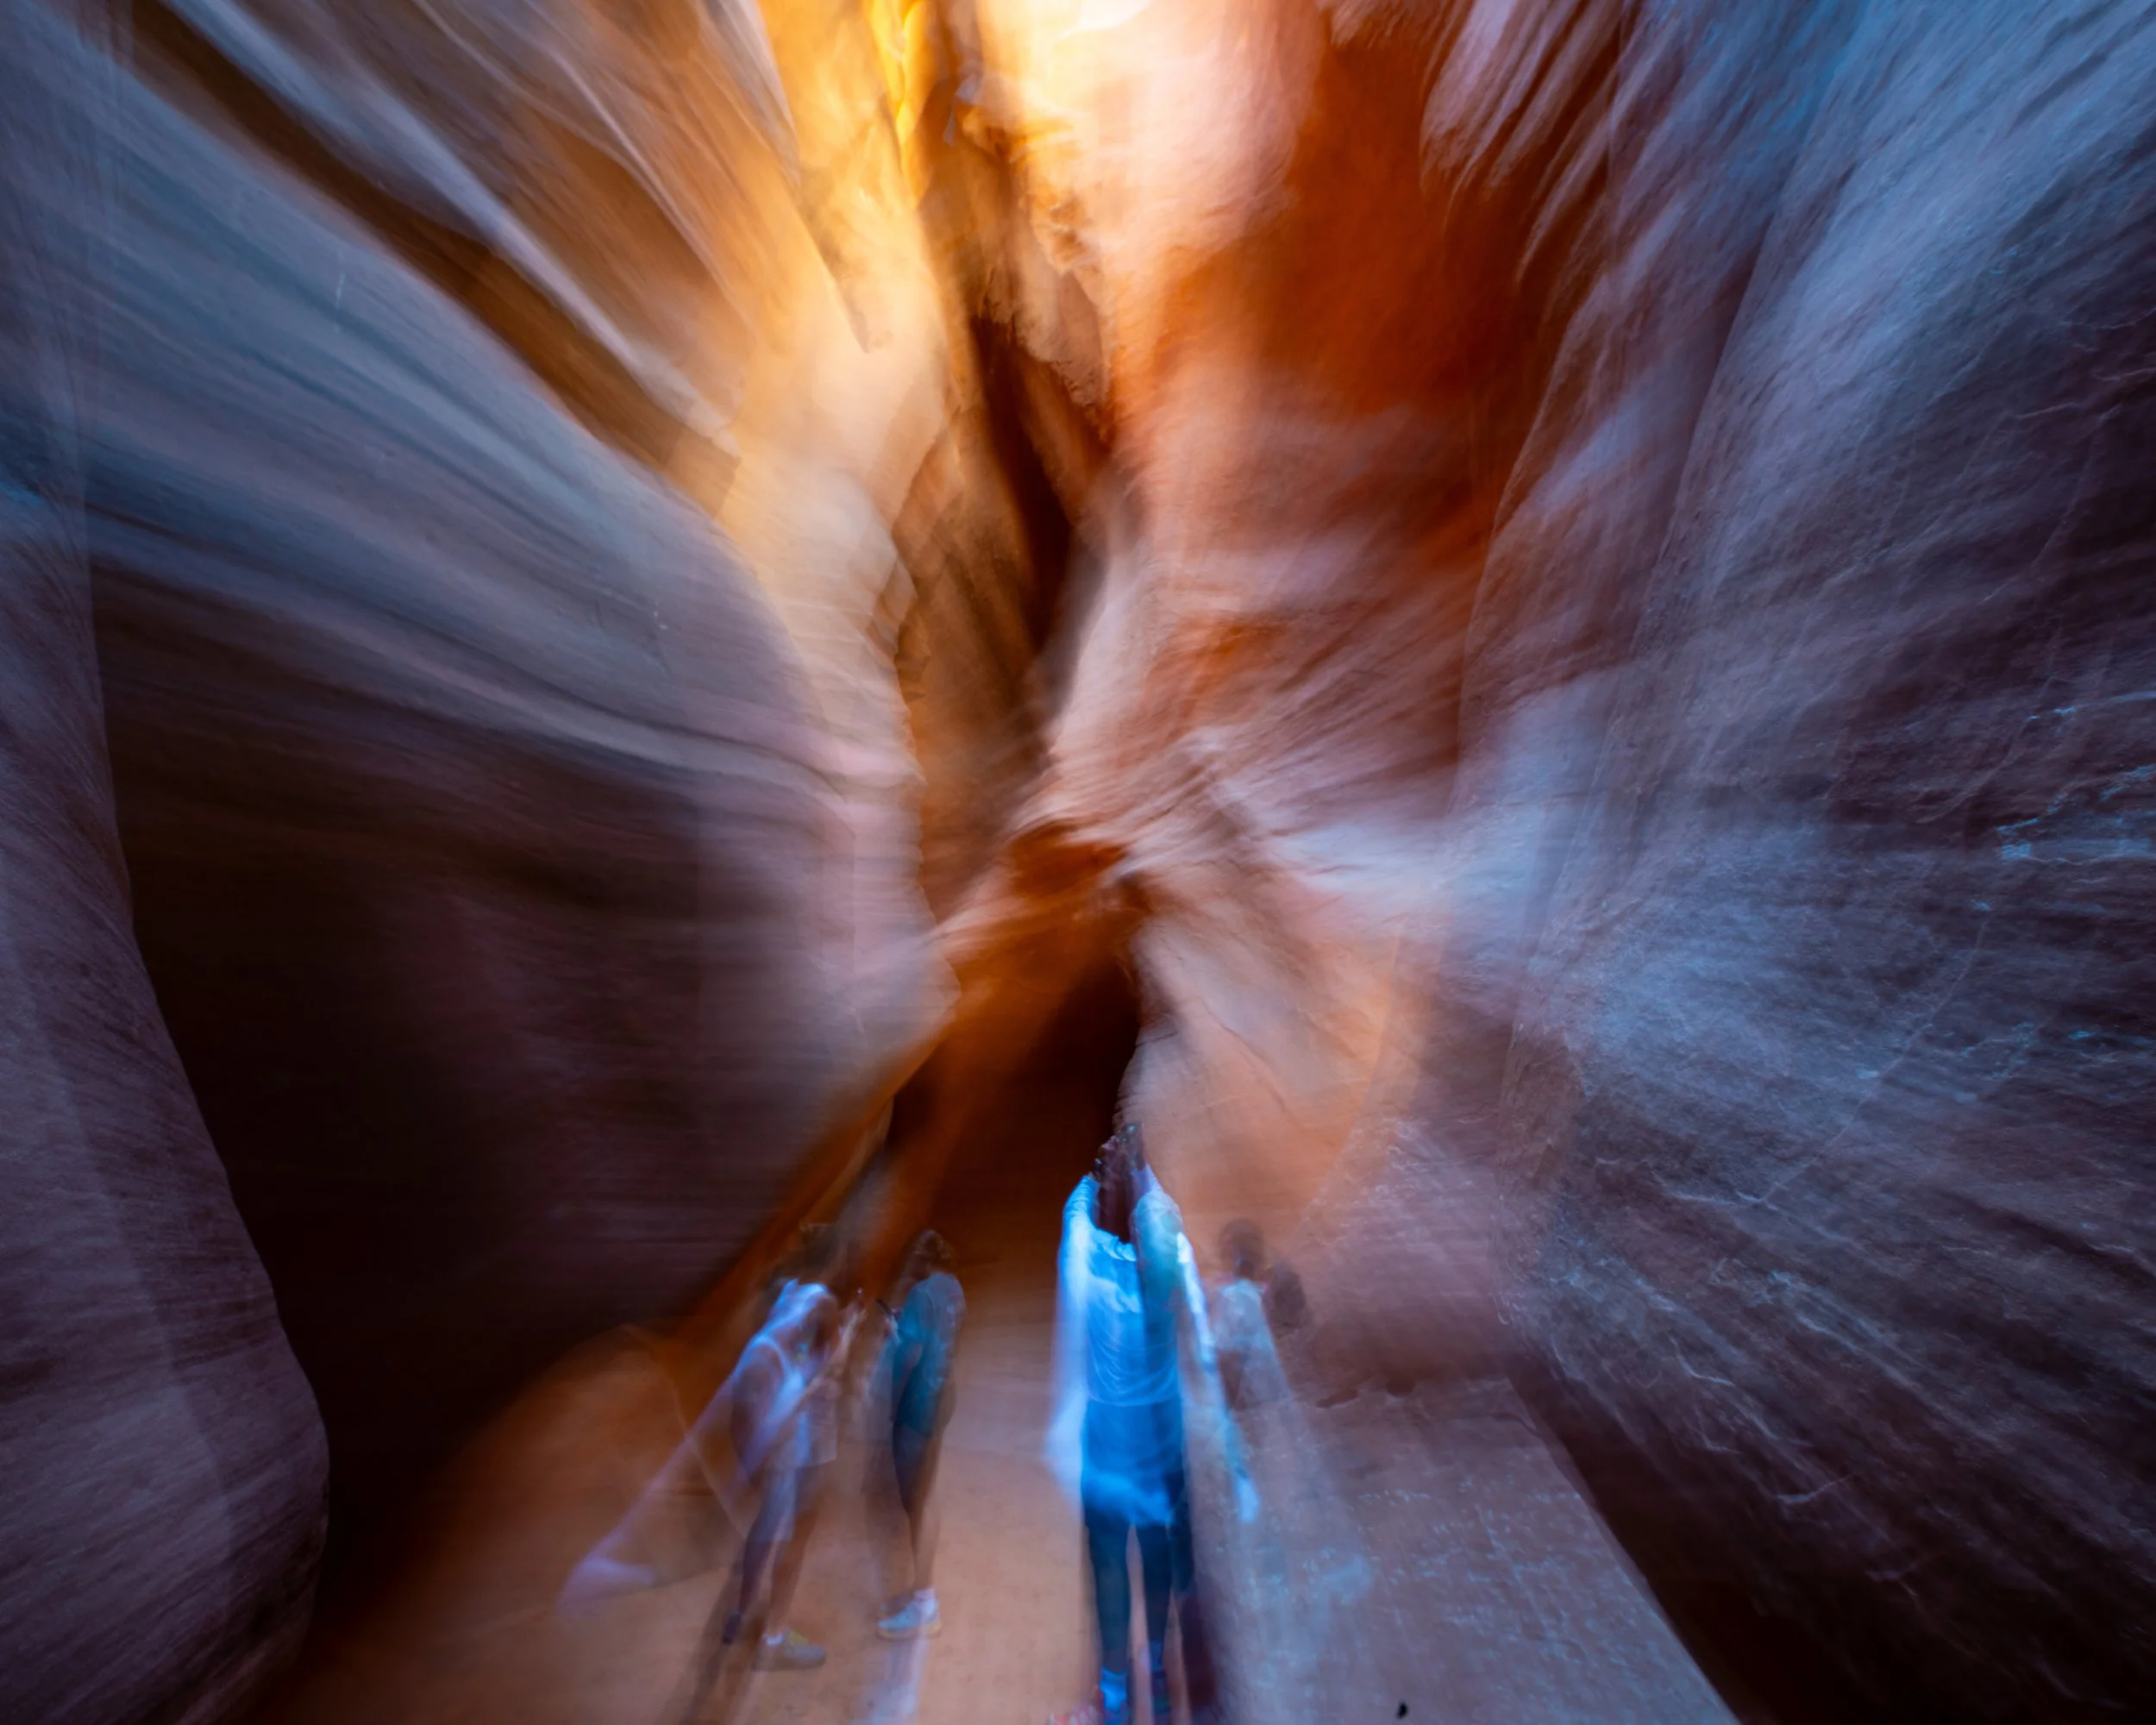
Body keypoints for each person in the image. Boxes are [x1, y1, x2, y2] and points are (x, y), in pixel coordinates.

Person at [1048, 1121, 1218, 1725]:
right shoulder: (1168, 1291)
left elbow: (1075, 1216)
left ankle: (1113, 1701)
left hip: (1108, 1462)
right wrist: (1144, 1173)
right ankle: (1162, 1689)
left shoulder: (1093, 1272)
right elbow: (1168, 1233)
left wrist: (1100, 1174)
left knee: (1108, 1574)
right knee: (1159, 1574)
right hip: (1161, 1461)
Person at [720, 1243, 858, 1672]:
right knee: (794, 1539)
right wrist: (849, 1331)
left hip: (785, 1432)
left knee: (765, 1525)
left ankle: (741, 1617)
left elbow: (800, 1361)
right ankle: (774, 1639)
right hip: (806, 1435)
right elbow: (825, 1367)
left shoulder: (785, 1305)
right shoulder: (820, 1307)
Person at [874, 1230, 966, 1640]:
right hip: (942, 1401)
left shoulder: (920, 1294)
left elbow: (908, 1356)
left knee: (918, 1502)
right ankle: (922, 1595)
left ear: (923, 1257)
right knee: (926, 1496)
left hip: (917, 1408)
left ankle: (924, 1604)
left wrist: (889, 1408)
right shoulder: (953, 1288)